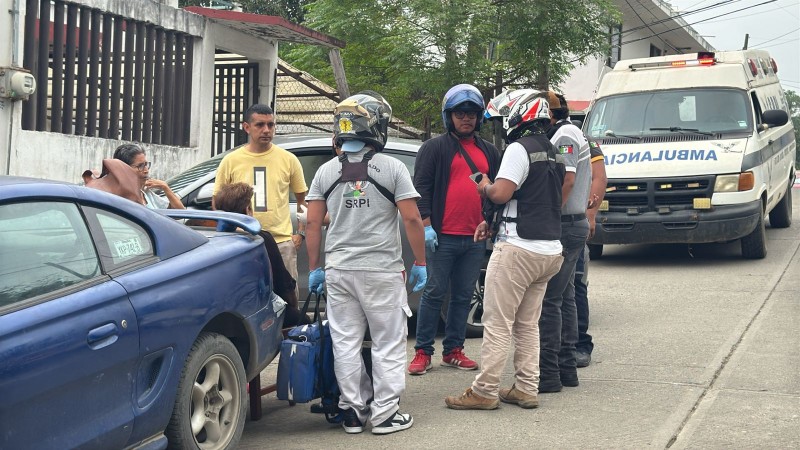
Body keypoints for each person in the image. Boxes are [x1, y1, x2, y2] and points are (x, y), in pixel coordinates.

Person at [305, 91, 428, 435]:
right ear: (376, 126)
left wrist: (315, 268)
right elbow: (412, 219)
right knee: (388, 341)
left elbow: (312, 223)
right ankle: (385, 414)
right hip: (381, 270)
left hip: (339, 270)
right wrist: (420, 261)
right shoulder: (392, 168)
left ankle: (352, 412)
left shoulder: (326, 171)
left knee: (345, 341)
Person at [445, 91, 565, 410]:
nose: (501, 125)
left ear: (517, 114)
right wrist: (495, 221)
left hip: (518, 249)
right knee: (527, 325)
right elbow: (536, 198)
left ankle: (484, 391)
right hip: (549, 250)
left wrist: (484, 185)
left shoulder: (518, 148)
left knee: (498, 323)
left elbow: (500, 193)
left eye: (503, 118)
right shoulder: (553, 151)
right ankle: (526, 388)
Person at [408, 84, 501, 375]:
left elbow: (498, 192)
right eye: (460, 113)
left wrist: (493, 224)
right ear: (449, 116)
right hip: (442, 236)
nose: (466, 118)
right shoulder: (434, 148)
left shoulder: (489, 151)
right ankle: (423, 351)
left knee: (463, 296)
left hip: (475, 237)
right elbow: (421, 189)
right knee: (434, 293)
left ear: (479, 117)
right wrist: (426, 227)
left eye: (472, 113)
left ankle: (453, 351)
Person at [213, 104, 308, 294]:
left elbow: (302, 201)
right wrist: (232, 229)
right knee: (247, 297)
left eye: (270, 125)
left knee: (287, 298)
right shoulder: (231, 160)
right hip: (243, 242)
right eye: (260, 125)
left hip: (281, 243)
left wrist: (300, 233)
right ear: (246, 127)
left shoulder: (288, 159)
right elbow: (217, 203)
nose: (266, 130)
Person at [537, 91, 592, 393]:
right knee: (566, 296)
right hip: (571, 223)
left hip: (566, 224)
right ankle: (567, 368)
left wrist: (549, 213)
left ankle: (550, 373)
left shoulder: (565, 135)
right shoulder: (567, 132)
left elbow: (567, 179)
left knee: (550, 300)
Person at [213, 182, 310, 327]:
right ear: (248, 209)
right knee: (303, 321)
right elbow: (283, 284)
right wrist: (293, 307)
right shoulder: (261, 239)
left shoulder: (213, 239)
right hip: (257, 312)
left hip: (222, 313)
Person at [575, 140, 607, 367]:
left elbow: (599, 177)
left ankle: (580, 345)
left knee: (575, 283)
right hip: (543, 225)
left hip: (572, 221)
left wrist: (591, 214)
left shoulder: (582, 140)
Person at [112, 143, 185, 209]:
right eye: (140, 166)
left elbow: (179, 212)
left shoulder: (145, 193)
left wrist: (165, 187)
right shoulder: (119, 199)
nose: (146, 170)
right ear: (124, 169)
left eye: (146, 165)